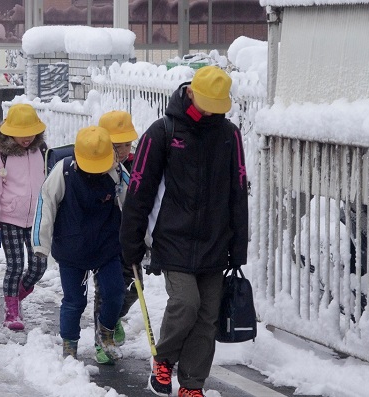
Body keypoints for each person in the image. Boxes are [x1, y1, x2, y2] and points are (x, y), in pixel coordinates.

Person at [119, 66, 249, 397]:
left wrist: (239, 244)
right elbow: (139, 190)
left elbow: (238, 190)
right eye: (206, 103)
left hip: (215, 240)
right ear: (190, 93)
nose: (211, 112)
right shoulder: (162, 132)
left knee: (207, 317)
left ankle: (192, 384)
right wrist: (130, 242)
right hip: (173, 237)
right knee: (186, 303)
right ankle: (163, 360)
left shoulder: (228, 135)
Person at [32, 126, 129, 362]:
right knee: (74, 301)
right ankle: (69, 344)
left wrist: (145, 242)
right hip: (71, 247)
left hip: (106, 245)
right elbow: (46, 206)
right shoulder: (63, 171)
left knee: (116, 292)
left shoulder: (117, 172)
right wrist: (40, 245)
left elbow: (133, 207)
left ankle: (105, 331)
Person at [0, 103, 49, 331]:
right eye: (21, 134)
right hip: (9, 219)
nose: (27, 138)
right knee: (15, 265)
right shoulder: (0, 156)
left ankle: (17, 296)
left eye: (31, 133)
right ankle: (11, 311)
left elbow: (51, 185)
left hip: (37, 220)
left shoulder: (42, 151)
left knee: (38, 266)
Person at [92, 110, 139, 364]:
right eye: (116, 145)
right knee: (107, 292)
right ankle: (101, 339)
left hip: (132, 238)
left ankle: (113, 318)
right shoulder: (95, 167)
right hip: (107, 240)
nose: (122, 149)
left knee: (132, 288)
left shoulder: (138, 165)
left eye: (126, 144)